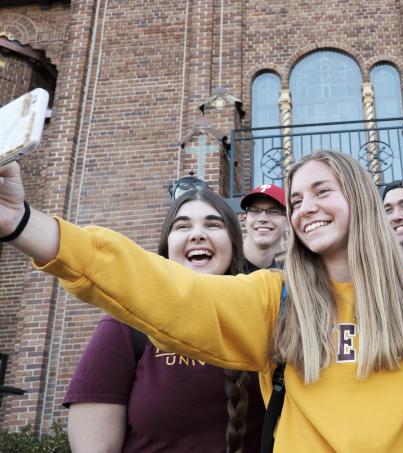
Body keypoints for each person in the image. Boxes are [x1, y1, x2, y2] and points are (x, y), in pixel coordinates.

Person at [0, 152, 403, 452]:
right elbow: (160, 288)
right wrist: (23, 223)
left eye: (322, 191)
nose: (306, 206)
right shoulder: (275, 300)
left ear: (361, 200)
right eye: (296, 200)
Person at [63, 189, 265, 453]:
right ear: (167, 248)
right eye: (182, 226)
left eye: (213, 224)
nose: (197, 234)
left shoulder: (264, 316)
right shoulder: (126, 324)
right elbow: (93, 446)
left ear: (234, 243)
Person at [240, 184, 288, 272]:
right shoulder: (223, 267)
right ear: (245, 219)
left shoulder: (284, 279)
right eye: (255, 210)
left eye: (274, 212)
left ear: (287, 223)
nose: (262, 219)